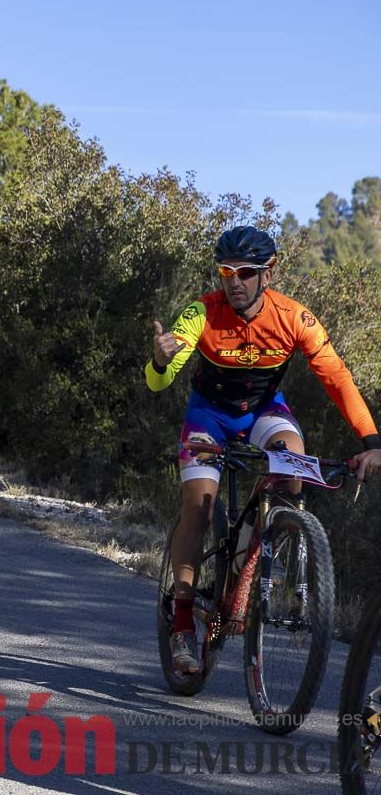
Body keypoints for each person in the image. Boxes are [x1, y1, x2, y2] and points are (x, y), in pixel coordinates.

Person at [146, 225, 381, 675]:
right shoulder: (201, 313)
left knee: (292, 468)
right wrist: (160, 360)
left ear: (267, 274)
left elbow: (337, 378)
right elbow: (160, 379)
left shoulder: (294, 318)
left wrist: (372, 442)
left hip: (263, 412)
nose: (234, 281)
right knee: (198, 505)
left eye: (246, 272)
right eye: (226, 271)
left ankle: (258, 550)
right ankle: (181, 623)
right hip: (208, 416)